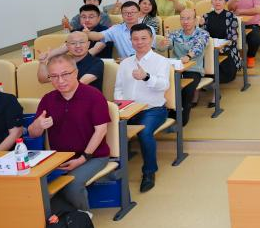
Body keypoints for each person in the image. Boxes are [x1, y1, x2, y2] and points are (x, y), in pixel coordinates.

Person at [29, 54, 111, 213]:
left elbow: (101, 130)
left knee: (72, 184)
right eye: (54, 76)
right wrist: (38, 125)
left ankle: (84, 218)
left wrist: (82, 159)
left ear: (76, 72)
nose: (60, 80)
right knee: (33, 183)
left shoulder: (94, 96)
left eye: (65, 74)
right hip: (60, 158)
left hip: (93, 156)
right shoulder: (48, 99)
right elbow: (33, 133)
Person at [114, 24, 172, 192]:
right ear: (130, 41)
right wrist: (121, 105)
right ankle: (113, 169)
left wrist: (146, 77)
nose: (139, 42)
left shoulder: (161, 61)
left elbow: (164, 85)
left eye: (144, 38)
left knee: (145, 133)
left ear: (151, 39)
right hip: (128, 109)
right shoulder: (125, 63)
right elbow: (118, 88)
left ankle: (149, 172)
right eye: (135, 39)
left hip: (153, 110)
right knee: (105, 128)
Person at [167, 8, 211, 122]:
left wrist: (188, 56)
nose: (185, 21)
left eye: (188, 18)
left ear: (195, 20)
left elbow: (198, 47)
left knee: (187, 90)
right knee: (166, 87)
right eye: (182, 18)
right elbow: (167, 45)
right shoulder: (175, 33)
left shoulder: (203, 34)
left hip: (193, 69)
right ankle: (169, 116)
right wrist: (163, 44)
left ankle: (182, 120)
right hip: (176, 69)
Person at [38, 31, 105, 92]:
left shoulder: (97, 63)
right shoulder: (64, 61)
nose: (78, 46)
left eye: (82, 42)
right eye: (73, 43)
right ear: (67, 46)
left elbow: (80, 83)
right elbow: (43, 80)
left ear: (88, 44)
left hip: (89, 98)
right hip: (65, 96)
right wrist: (42, 63)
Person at [228, 0, 260, 67]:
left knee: (255, 39)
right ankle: (234, 58)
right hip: (236, 24)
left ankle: (250, 56)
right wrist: (233, 0)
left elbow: (257, 10)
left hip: (252, 24)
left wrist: (241, 11)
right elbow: (229, 8)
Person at [204, 0, 241, 83]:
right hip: (210, 50)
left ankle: (213, 83)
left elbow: (233, 37)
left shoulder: (231, 16)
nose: (217, 2)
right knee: (206, 70)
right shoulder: (206, 16)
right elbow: (202, 36)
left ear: (225, 2)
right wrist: (200, 25)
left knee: (228, 75)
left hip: (226, 49)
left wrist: (222, 49)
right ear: (211, 2)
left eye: (220, 0)